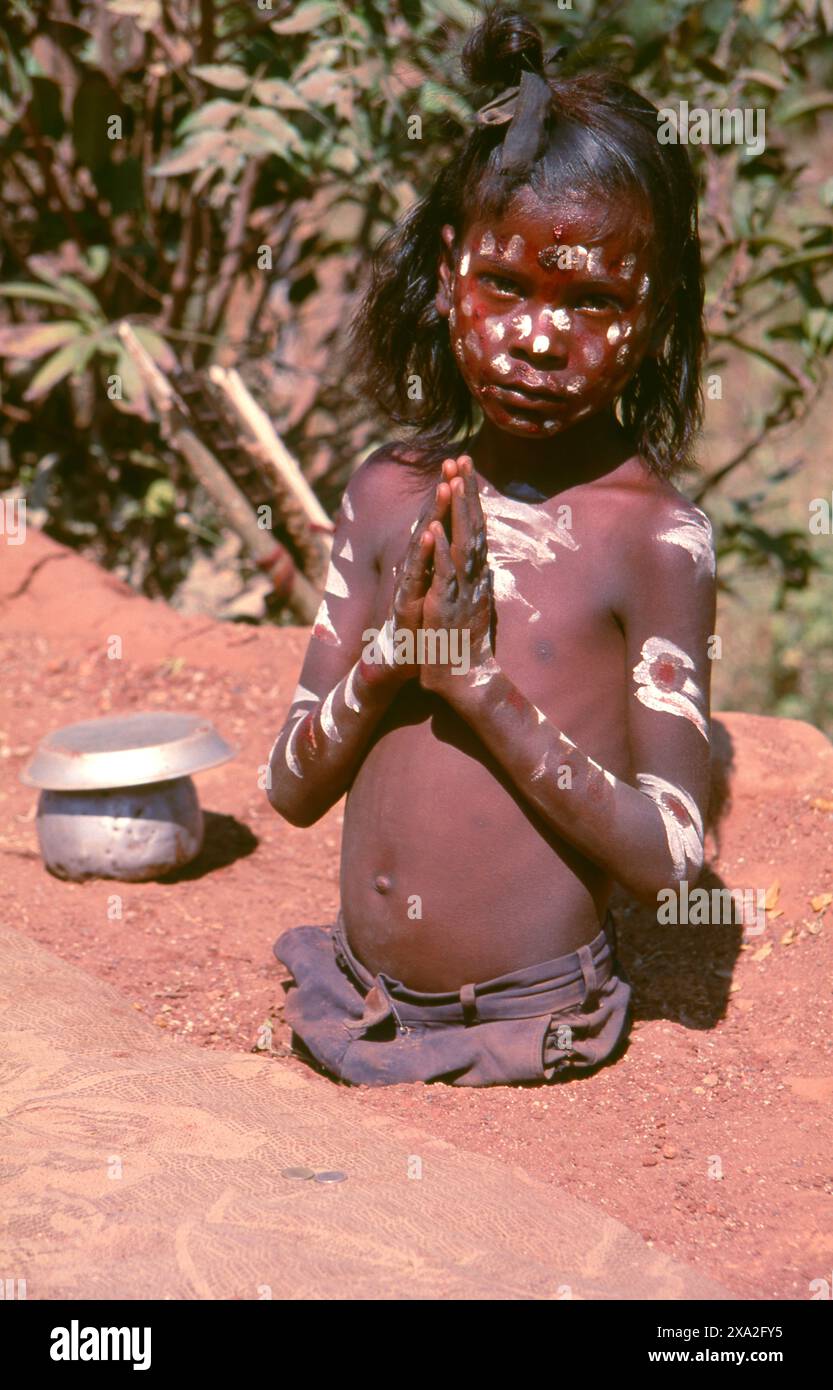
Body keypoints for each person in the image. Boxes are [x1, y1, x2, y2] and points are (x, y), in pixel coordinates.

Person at [265, 5, 716, 1087]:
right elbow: (287, 784)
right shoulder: (386, 493)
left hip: (524, 1025)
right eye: (504, 285)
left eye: (591, 300)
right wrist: (394, 655)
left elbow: (676, 861)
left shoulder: (650, 536)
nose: (538, 336)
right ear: (442, 272)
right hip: (345, 998)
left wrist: (476, 685)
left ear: (652, 317)